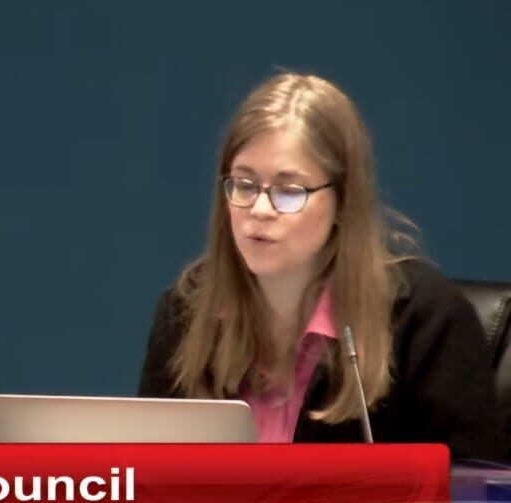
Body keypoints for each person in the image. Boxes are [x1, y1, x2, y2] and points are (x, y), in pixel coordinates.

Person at [138, 72, 505, 460]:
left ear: (342, 203)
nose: (260, 211)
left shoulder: (426, 319)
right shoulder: (188, 313)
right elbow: (144, 480)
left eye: (289, 191)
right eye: (244, 184)